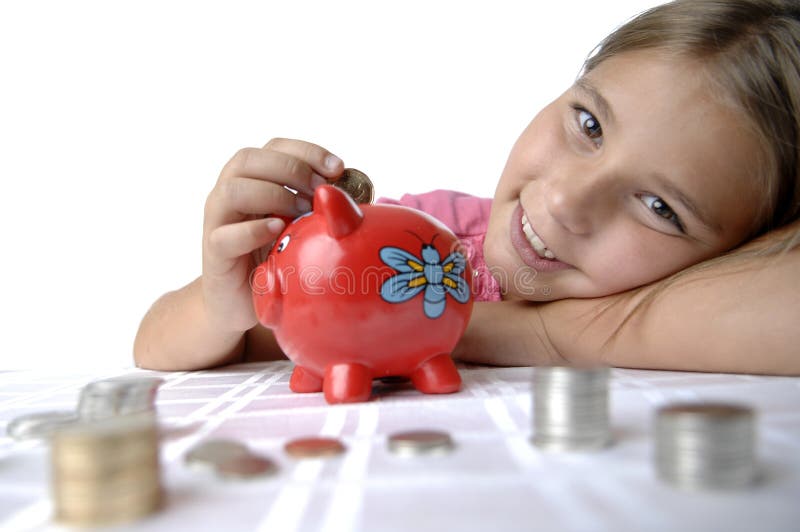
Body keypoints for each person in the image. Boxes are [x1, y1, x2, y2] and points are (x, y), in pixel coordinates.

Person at [134, 0, 800, 376]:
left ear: (754, 244)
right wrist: (228, 305)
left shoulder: (712, 300)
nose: (565, 201)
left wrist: (540, 337)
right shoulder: (432, 234)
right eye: (589, 122)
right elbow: (154, 346)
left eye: (659, 207)